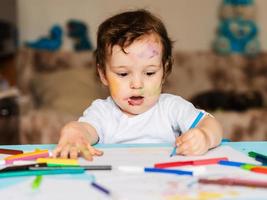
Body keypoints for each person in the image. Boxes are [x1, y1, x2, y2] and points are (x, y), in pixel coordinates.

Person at [53, 9, 223, 160]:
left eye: (149, 73)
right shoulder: (103, 112)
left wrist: (204, 136)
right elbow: (85, 129)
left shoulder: (171, 107)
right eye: (123, 74)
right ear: (103, 74)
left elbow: (211, 124)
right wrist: (74, 133)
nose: (137, 84)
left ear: (165, 71)